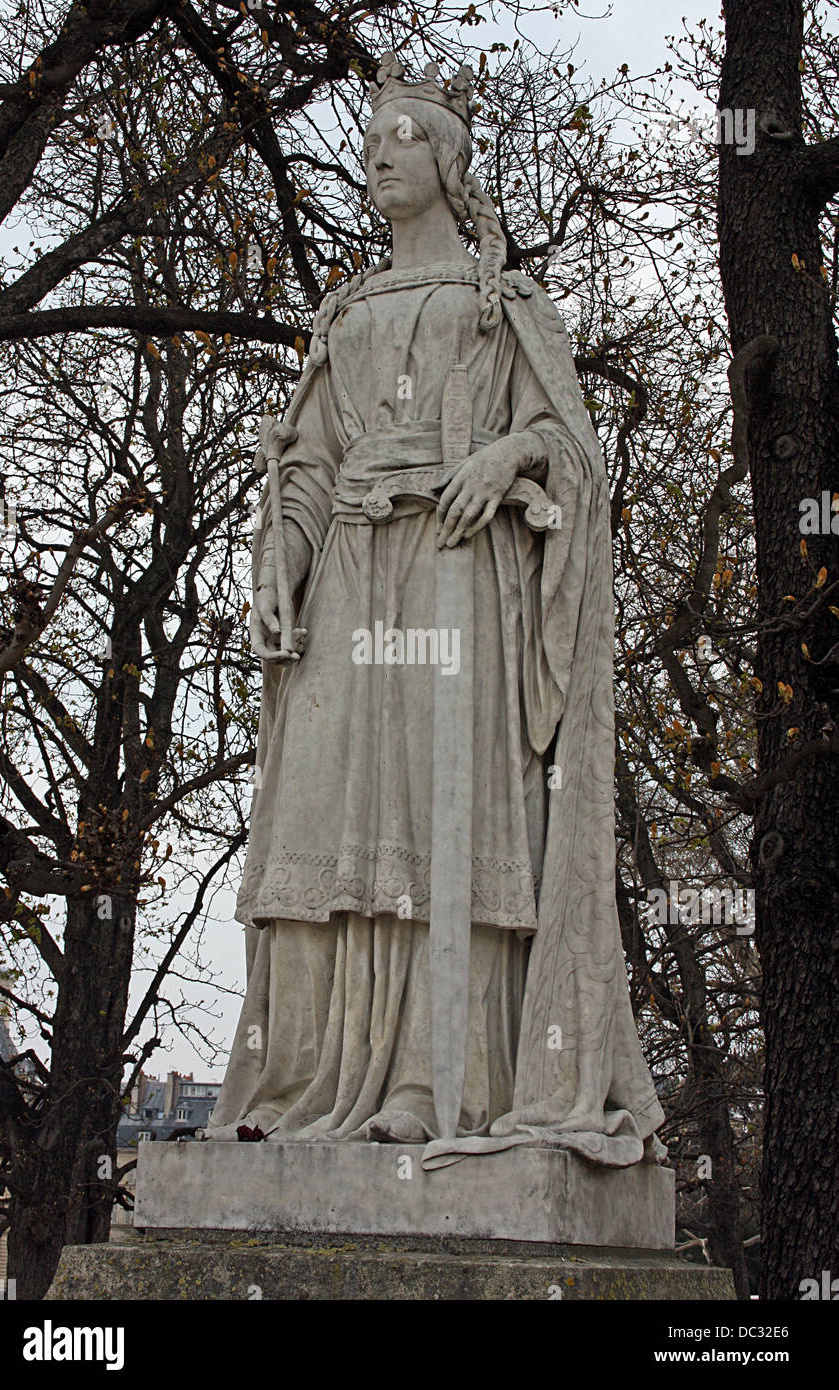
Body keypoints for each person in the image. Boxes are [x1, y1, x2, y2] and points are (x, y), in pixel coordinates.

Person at [207, 55, 665, 1169]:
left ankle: (431, 1075)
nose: (374, 155)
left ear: (446, 160)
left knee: (439, 812)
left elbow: (573, 455)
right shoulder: (345, 311)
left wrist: (507, 449)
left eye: (396, 137)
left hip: (461, 576)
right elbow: (306, 463)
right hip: (352, 579)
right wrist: (284, 557)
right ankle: (297, 1073)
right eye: (365, 143)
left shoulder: (503, 304)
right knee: (316, 816)